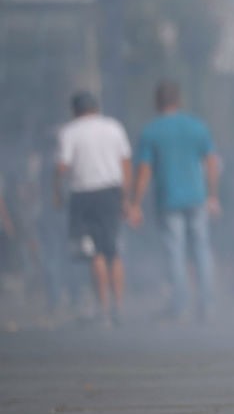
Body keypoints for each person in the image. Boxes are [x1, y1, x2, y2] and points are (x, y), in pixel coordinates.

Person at [128, 81, 220, 322]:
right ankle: (207, 305)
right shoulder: (197, 127)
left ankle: (181, 306)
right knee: (202, 250)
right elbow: (211, 162)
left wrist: (135, 202)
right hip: (197, 197)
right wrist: (213, 195)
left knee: (175, 253)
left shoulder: (151, 131)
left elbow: (144, 171)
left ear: (157, 102)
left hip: (169, 199)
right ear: (178, 101)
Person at [55, 92, 133, 326]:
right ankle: (118, 306)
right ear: (96, 108)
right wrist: (126, 197)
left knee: (95, 252)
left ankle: (104, 308)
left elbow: (62, 167)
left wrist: (56, 193)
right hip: (111, 192)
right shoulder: (114, 127)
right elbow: (126, 162)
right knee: (113, 251)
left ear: (75, 110)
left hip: (83, 194)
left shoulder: (69, 131)